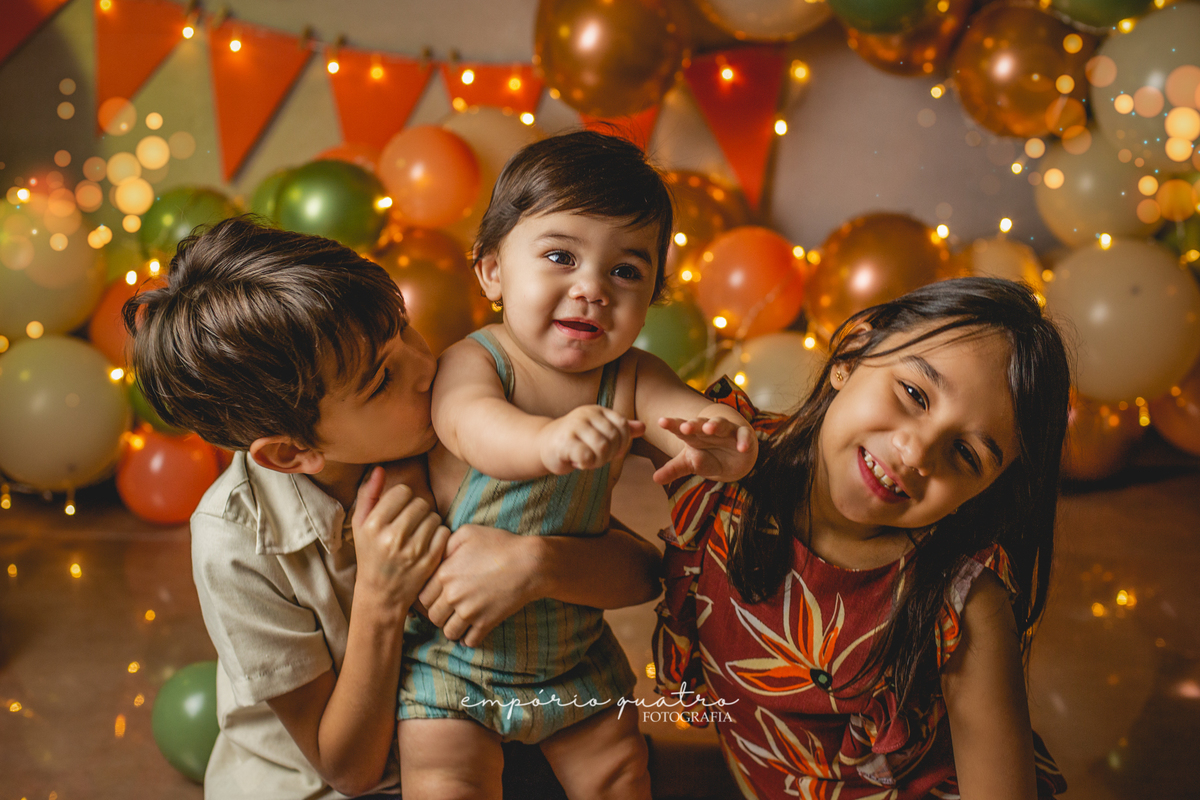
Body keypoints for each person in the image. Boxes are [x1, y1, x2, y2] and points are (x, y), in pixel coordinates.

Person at [123, 217, 662, 800]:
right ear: (291, 452)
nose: (425, 368)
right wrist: (381, 596)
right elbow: (348, 769)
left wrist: (536, 564)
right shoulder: (235, 543)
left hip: (492, 735)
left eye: (404, 329)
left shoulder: (461, 418)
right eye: (382, 379)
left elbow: (644, 571)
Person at [395, 130, 759, 800]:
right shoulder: (475, 362)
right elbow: (474, 428)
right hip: (454, 659)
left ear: (652, 293)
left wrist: (722, 445)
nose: (592, 288)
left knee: (621, 770)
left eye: (625, 270)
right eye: (560, 256)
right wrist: (546, 442)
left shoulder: (630, 376)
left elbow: (687, 423)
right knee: (446, 778)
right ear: (493, 271)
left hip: (571, 656)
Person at [653, 277, 1073, 799]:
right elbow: (615, 378)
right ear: (851, 354)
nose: (917, 453)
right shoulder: (728, 460)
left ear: (986, 490)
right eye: (914, 394)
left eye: (966, 455)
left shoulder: (963, 605)